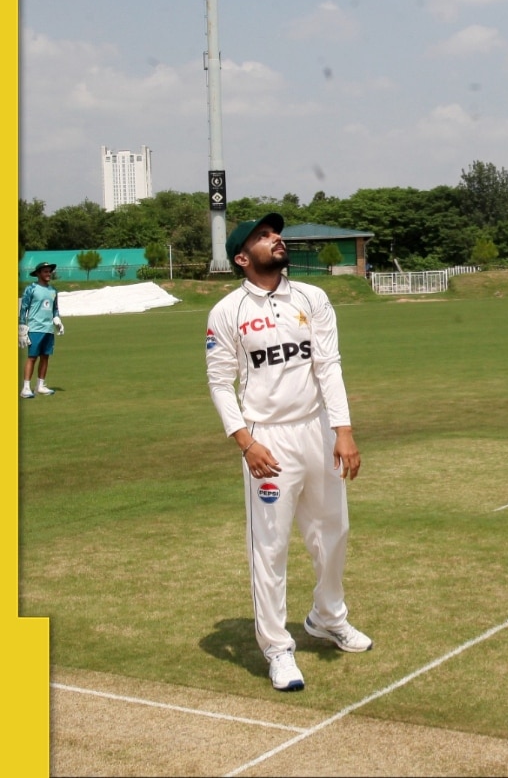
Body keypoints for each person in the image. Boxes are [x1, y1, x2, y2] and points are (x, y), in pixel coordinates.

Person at [206, 213, 371, 693]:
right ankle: (278, 648)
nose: (275, 239)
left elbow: (328, 364)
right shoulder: (227, 312)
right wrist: (246, 442)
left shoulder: (311, 298)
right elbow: (220, 382)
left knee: (333, 532)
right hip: (267, 437)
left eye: (275, 233)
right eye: (263, 237)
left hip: (317, 430)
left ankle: (327, 617)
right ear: (242, 257)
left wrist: (343, 430)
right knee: (271, 546)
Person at [19, 261, 64, 398]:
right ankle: (26, 388)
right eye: (45, 271)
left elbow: (54, 309)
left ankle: (40, 386)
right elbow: (23, 308)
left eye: (49, 271)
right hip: (35, 328)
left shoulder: (53, 291)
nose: (48, 274)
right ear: (38, 274)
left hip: (48, 329)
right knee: (32, 357)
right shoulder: (31, 288)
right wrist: (21, 326)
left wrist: (57, 320)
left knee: (45, 357)